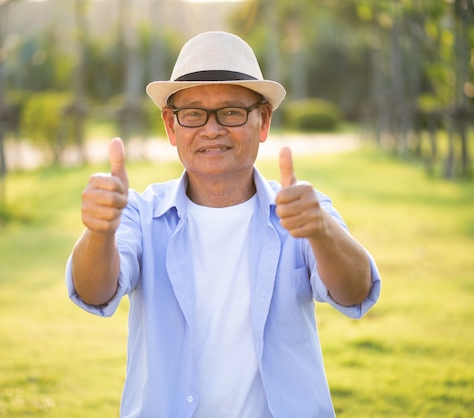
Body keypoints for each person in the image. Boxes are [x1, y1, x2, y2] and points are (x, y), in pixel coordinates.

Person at [66, 31, 381, 418]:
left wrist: (320, 230)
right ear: (170, 126)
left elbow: (355, 291)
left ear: (262, 121)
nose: (211, 129)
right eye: (193, 114)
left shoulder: (304, 212)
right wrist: (99, 231)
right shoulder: (140, 215)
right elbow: (94, 292)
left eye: (231, 111)